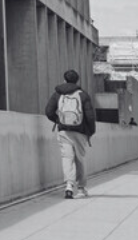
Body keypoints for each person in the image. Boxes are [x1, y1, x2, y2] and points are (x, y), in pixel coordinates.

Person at [45, 69, 96, 199]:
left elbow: (49, 111)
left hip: (64, 131)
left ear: (64, 79)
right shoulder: (83, 95)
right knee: (80, 159)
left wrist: (58, 120)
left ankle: (68, 186)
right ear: (77, 80)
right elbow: (90, 116)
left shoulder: (57, 94)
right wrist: (91, 130)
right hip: (80, 131)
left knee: (67, 158)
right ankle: (81, 188)